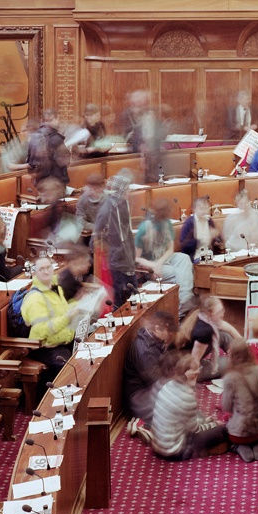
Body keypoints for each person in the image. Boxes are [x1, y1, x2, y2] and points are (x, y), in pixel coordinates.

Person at [148, 353, 228, 459]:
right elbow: (195, 430)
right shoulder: (187, 396)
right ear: (189, 373)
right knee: (224, 429)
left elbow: (184, 420)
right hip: (175, 452)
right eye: (197, 369)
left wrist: (205, 421)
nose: (199, 370)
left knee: (200, 418)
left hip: (158, 447)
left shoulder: (167, 386)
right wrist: (214, 424)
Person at [21, 256, 80, 375]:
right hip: (46, 347)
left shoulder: (56, 288)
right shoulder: (35, 298)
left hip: (64, 340)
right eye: (41, 269)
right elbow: (42, 330)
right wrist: (68, 317)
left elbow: (62, 311)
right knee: (69, 368)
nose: (46, 271)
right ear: (34, 272)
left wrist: (78, 306)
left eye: (48, 267)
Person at [124, 310, 177, 437]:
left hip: (149, 389)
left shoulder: (155, 339)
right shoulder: (144, 350)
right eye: (168, 332)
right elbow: (155, 380)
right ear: (157, 329)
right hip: (139, 396)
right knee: (176, 409)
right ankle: (141, 424)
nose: (171, 335)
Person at [136, 197, 196, 309]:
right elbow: (136, 258)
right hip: (149, 265)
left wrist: (160, 262)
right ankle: (182, 306)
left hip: (163, 259)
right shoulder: (144, 228)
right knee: (178, 272)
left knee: (184, 258)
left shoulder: (167, 223)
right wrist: (155, 265)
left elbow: (170, 249)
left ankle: (184, 299)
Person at [94, 172, 137, 305]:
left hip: (127, 256)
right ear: (121, 190)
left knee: (133, 295)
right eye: (127, 189)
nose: (129, 192)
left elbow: (126, 231)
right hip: (116, 259)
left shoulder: (123, 203)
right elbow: (97, 231)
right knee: (120, 298)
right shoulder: (108, 207)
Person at [220, 343, 258, 462]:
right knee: (256, 429)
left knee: (225, 427)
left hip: (240, 432)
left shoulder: (230, 378)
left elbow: (226, 407)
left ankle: (240, 446)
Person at [177, 294, 238, 381]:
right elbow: (194, 362)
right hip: (187, 368)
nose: (223, 314)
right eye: (220, 312)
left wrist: (244, 347)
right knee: (230, 363)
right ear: (210, 313)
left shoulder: (203, 317)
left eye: (222, 310)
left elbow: (229, 329)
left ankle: (238, 356)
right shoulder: (205, 331)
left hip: (189, 357)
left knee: (224, 336)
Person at [24, 109, 69, 186]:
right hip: (55, 183)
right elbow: (64, 161)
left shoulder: (33, 136)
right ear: (54, 119)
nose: (59, 122)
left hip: (39, 182)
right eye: (58, 119)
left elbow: (30, 161)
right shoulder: (56, 138)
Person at [179, 196, 225, 262]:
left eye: (206, 208)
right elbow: (184, 246)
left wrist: (217, 237)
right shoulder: (189, 223)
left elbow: (218, 241)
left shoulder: (209, 221)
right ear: (194, 209)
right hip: (195, 257)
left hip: (211, 255)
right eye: (201, 208)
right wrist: (199, 240)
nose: (204, 211)